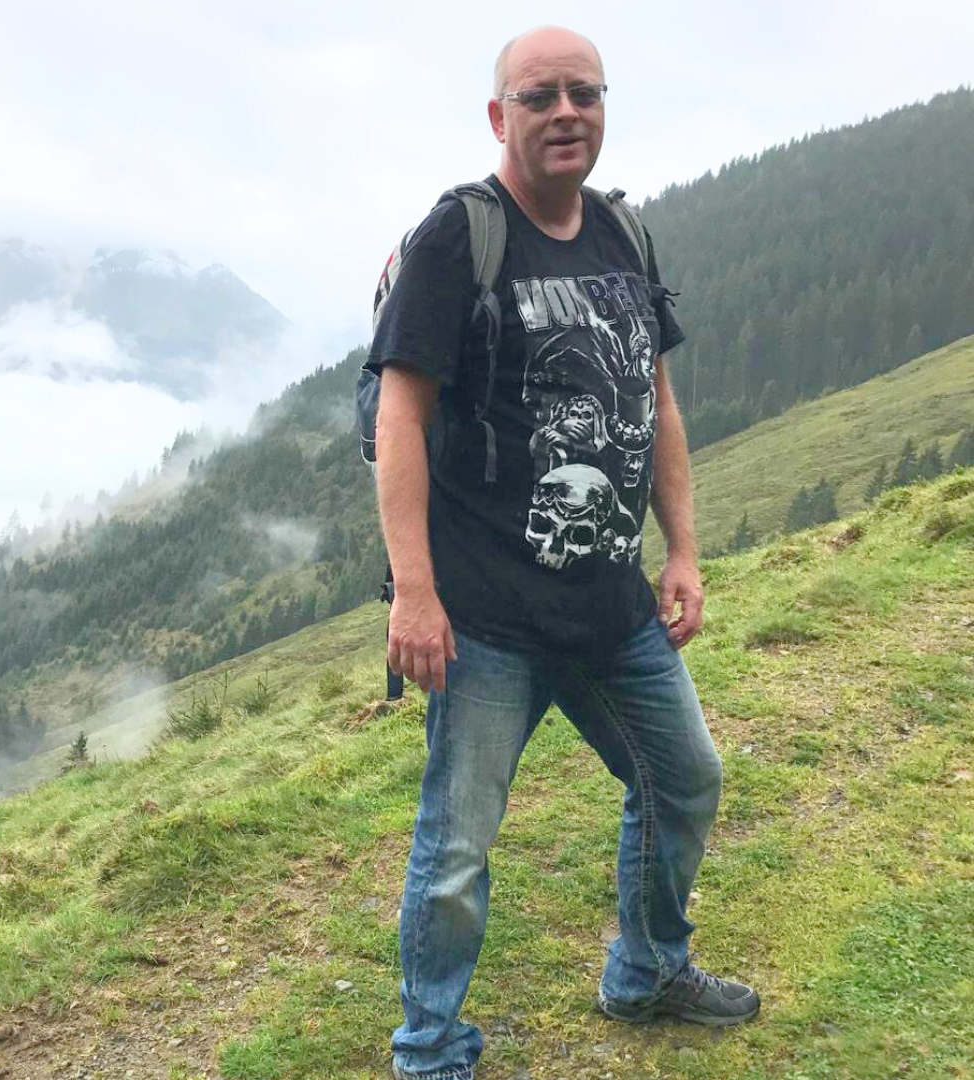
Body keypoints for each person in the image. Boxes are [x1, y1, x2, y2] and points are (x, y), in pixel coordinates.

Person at [367, 25, 759, 1080]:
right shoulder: (460, 238)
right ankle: (430, 1051)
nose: (565, 112)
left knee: (683, 779)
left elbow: (656, 402)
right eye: (539, 96)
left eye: (584, 92)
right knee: (456, 851)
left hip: (609, 606)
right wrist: (415, 593)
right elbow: (400, 417)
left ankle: (646, 972)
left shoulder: (624, 233)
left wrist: (683, 550)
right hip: (486, 618)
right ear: (500, 117)